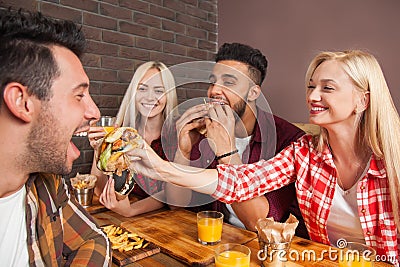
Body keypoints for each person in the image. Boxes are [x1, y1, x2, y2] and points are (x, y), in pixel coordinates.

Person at [129, 50, 400, 264]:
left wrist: (224, 151)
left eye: (327, 88)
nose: (312, 96)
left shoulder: (393, 160)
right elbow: (239, 182)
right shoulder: (305, 152)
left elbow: (260, 222)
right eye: (310, 86)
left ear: (363, 100)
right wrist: (161, 167)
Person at [0, 9, 111, 266]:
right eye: (79, 95)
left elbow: (93, 240)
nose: (94, 113)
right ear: (22, 102)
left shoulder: (50, 184)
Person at [169, 42, 307, 237]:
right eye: (213, 81)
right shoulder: (206, 129)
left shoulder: (288, 141)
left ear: (253, 92)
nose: (214, 91)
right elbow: (177, 205)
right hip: (215, 239)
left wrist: (226, 153)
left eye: (229, 82)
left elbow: (259, 224)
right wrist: (183, 151)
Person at [88, 61, 178, 217]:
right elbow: (99, 190)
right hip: (127, 219)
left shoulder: (177, 135)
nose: (149, 97)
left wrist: (131, 210)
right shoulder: (122, 134)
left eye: (158, 91)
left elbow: (170, 194)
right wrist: (99, 151)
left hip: (169, 221)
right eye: (142, 89)